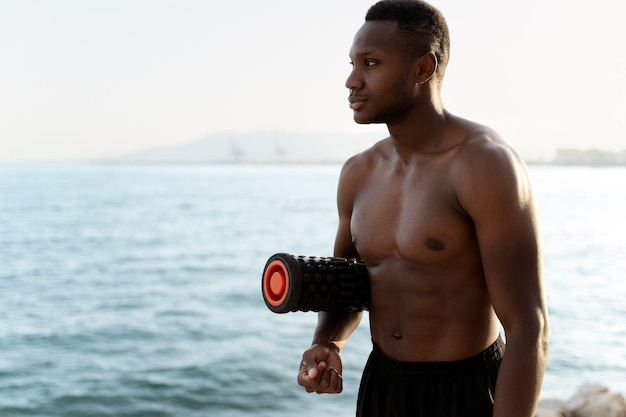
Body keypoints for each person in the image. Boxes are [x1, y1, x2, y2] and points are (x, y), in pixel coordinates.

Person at [295, 1, 549, 416]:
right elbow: (347, 284)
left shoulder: (484, 165)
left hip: (463, 391)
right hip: (383, 386)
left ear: (423, 69)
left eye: (371, 63)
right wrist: (327, 341)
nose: (351, 81)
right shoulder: (358, 172)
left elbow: (528, 328)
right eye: (352, 63)